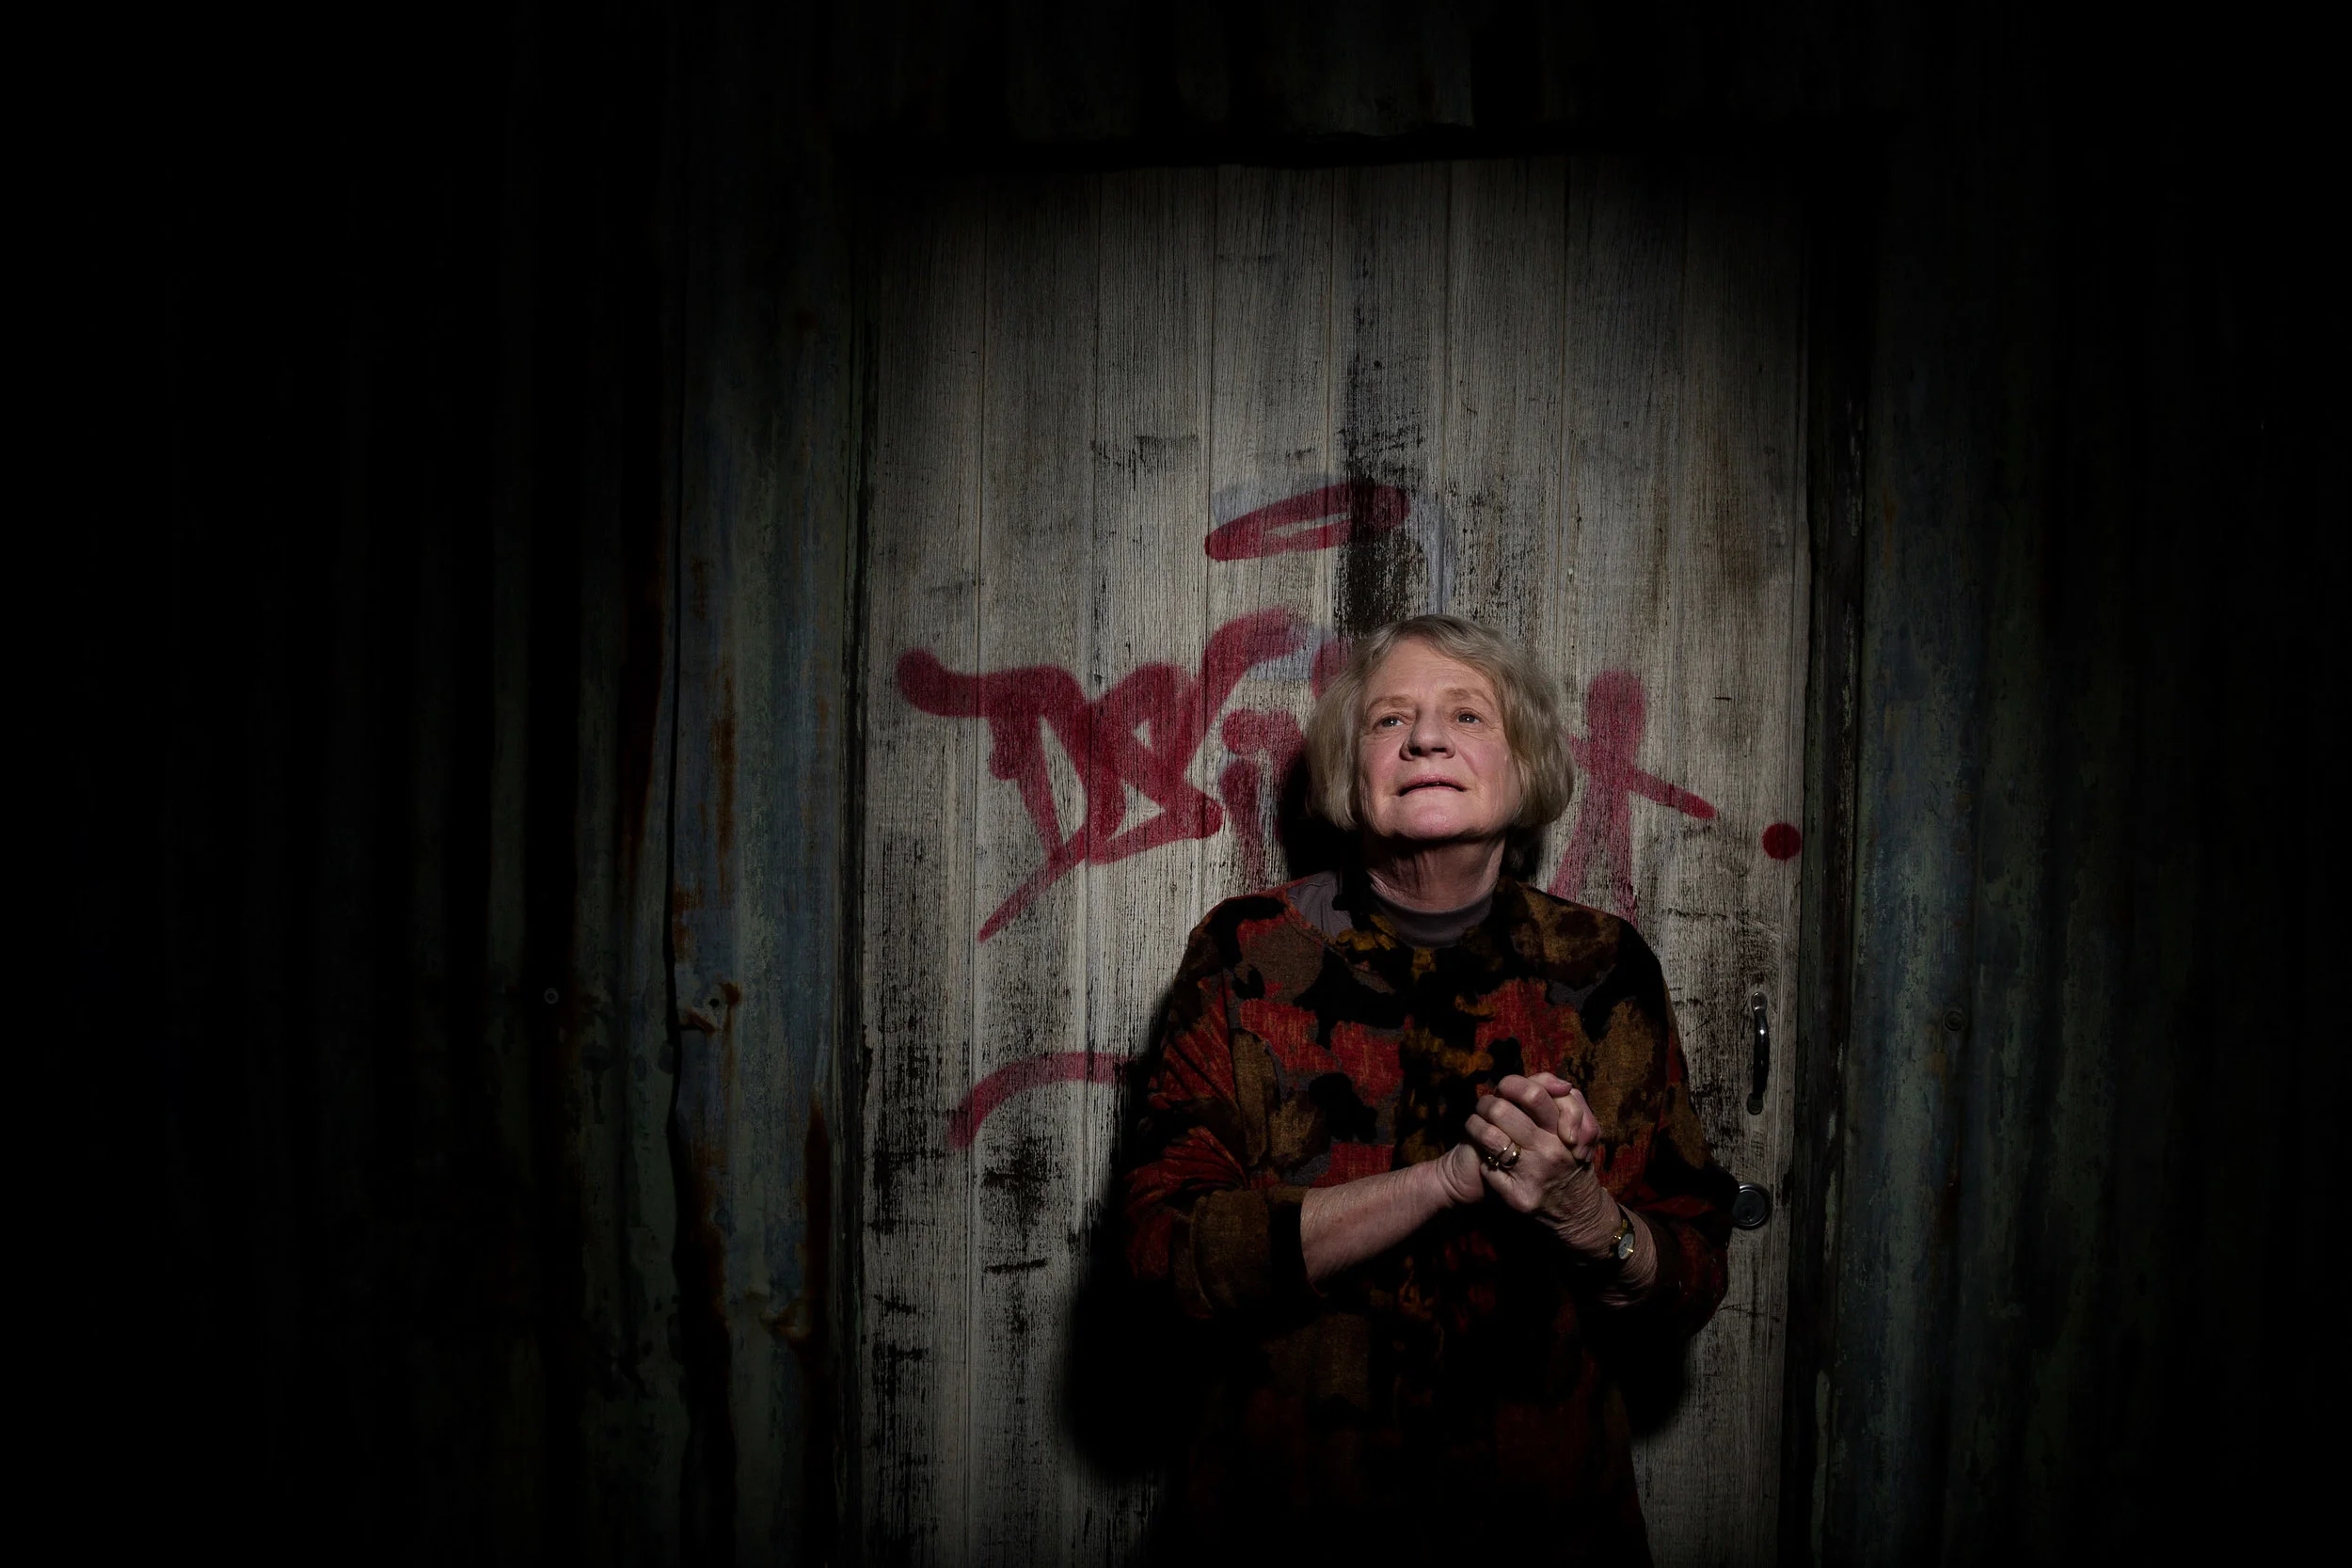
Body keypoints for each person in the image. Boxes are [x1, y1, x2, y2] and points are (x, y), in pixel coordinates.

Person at [1119, 614, 1736, 1563]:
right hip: (1279, 1518)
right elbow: (1167, 1254)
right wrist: (1446, 1178)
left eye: (1466, 713)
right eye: (1387, 719)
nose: (1426, 738)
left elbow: (1689, 1273)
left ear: (1523, 764)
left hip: (1545, 1526)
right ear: (1346, 770)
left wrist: (1583, 1212)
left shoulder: (1599, 965)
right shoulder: (1251, 951)